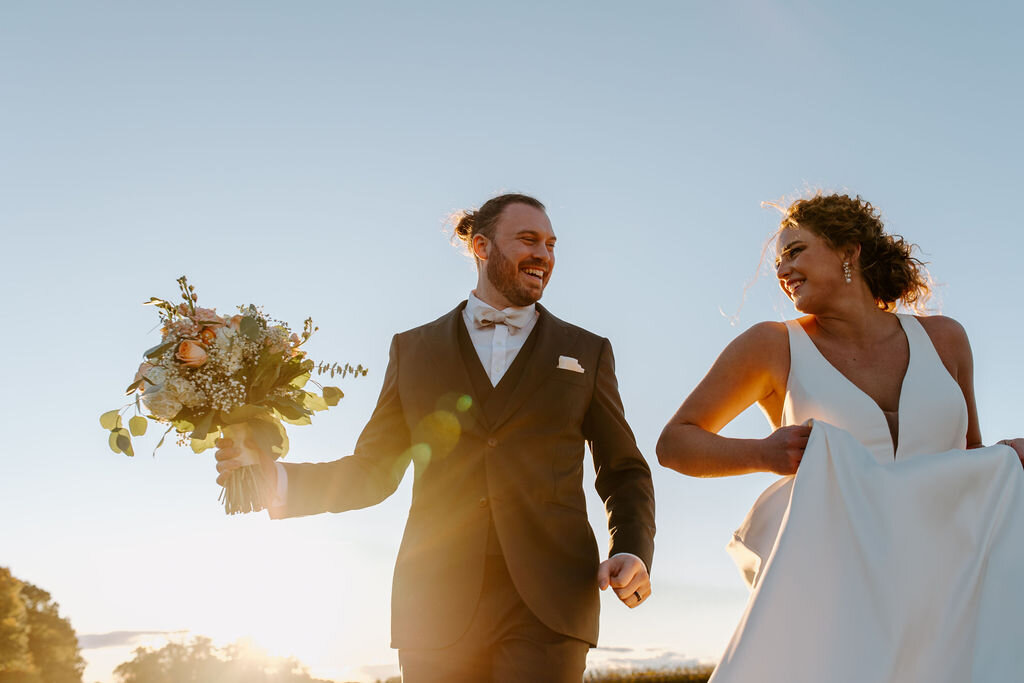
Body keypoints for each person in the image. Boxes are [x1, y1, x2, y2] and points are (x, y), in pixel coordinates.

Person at [216, 193, 656, 683]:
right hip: (434, 602)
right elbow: (373, 471)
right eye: (529, 240)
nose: (545, 254)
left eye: (552, 244)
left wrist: (632, 547)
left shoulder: (587, 352)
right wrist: (267, 479)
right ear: (482, 247)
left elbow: (622, 468)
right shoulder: (413, 350)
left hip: (550, 602)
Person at [656, 192, 1024, 681]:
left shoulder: (945, 338)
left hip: (952, 588)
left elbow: (969, 457)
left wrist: (1006, 457)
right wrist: (765, 453)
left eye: (795, 250)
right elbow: (676, 443)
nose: (782, 269)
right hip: (840, 593)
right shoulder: (772, 345)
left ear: (848, 251)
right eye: (779, 259)